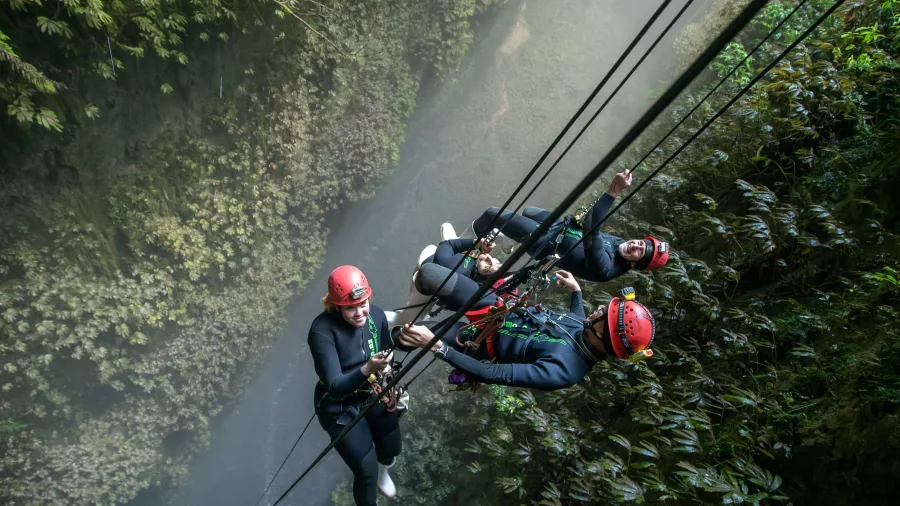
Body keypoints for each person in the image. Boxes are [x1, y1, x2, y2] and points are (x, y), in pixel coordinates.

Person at [397, 269, 657, 391]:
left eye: (605, 313)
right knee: (430, 274)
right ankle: (413, 308)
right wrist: (576, 291)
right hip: (497, 311)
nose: (600, 308)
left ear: (605, 336)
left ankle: (401, 327)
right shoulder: (584, 329)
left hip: (477, 343)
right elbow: (575, 319)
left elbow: (493, 372)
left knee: (401, 336)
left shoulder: (563, 372)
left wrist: (437, 346)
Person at [308, 265, 404, 506]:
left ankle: (386, 472)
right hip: (338, 406)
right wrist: (368, 368)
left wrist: (387, 367)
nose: (359, 313)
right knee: (366, 470)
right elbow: (335, 385)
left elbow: (385, 350)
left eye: (363, 304)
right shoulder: (322, 331)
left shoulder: (378, 316)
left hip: (373, 391)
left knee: (391, 445)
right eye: (350, 308)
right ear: (337, 306)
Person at [471, 171, 669, 282]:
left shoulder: (605, 269)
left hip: (544, 242)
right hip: (560, 228)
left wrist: (614, 189)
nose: (634, 245)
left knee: (492, 214)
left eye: (638, 252)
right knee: (529, 211)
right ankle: (506, 240)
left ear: (634, 264)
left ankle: (477, 243)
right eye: (640, 243)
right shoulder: (621, 245)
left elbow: (592, 229)